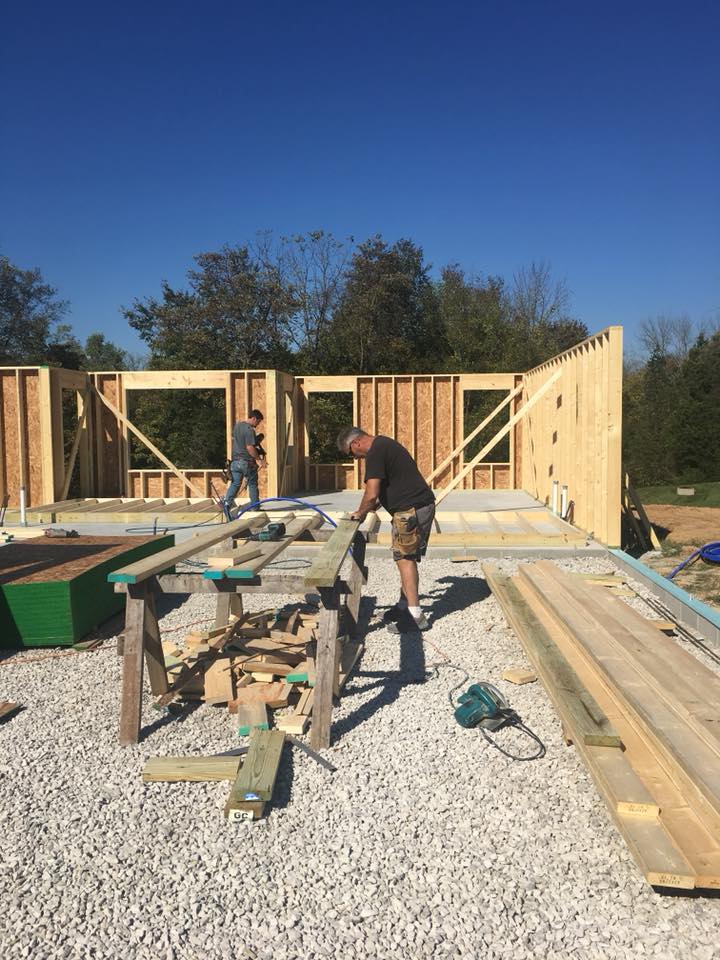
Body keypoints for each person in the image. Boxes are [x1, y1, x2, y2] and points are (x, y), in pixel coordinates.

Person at [337, 426, 435, 632]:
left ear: (356, 443)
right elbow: (391, 484)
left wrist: (360, 513)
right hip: (418, 507)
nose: (356, 459)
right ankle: (403, 606)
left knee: (405, 560)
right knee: (406, 558)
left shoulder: (375, 452)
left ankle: (415, 616)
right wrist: (376, 503)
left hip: (411, 511)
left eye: (352, 454)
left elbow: (371, 493)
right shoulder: (383, 445)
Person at [224, 409, 265, 511]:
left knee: (235, 484)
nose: (258, 424)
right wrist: (259, 460)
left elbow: (239, 441)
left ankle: (226, 504)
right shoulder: (249, 430)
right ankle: (255, 508)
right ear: (254, 418)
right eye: (258, 421)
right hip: (246, 462)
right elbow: (250, 448)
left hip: (235, 462)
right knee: (252, 484)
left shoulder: (238, 426)